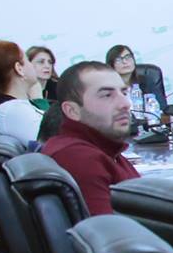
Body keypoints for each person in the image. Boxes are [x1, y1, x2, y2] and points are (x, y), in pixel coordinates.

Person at [39, 62, 139, 216]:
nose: (125, 104)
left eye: (124, 93)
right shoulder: (78, 157)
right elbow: (107, 228)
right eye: (107, 95)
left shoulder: (104, 148)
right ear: (72, 111)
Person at [0, 41, 44, 144]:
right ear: (19, 68)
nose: (32, 65)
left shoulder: (14, 107)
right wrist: (39, 100)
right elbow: (50, 142)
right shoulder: (11, 110)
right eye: (28, 60)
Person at [24, 45, 56, 110]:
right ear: (28, 64)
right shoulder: (21, 91)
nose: (47, 66)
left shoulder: (58, 88)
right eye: (41, 62)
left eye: (50, 62)